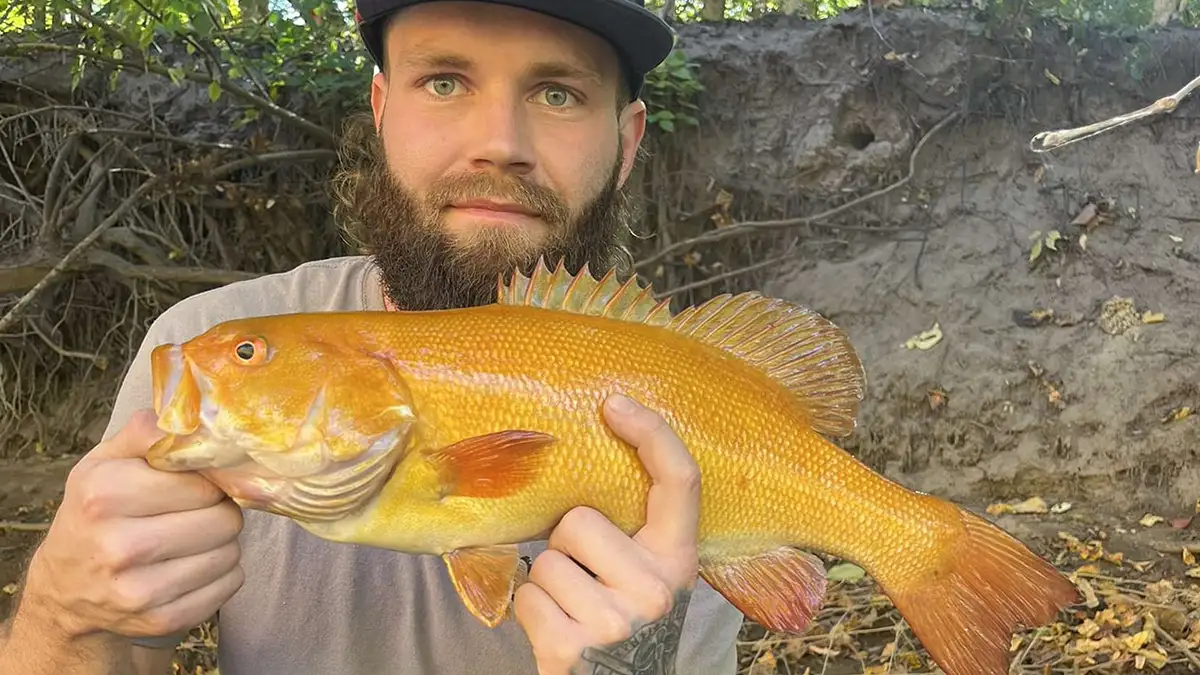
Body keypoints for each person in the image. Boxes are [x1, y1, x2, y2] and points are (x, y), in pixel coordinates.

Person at [0, 0, 746, 673]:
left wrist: (629, 667)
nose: (499, 144)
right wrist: (64, 618)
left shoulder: (697, 412)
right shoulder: (202, 343)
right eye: (446, 81)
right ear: (383, 110)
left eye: (559, 93)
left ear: (625, 143)